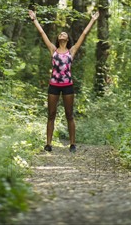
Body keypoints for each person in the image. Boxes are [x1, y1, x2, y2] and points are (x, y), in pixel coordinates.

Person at [28, 9, 100, 153]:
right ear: (58, 38)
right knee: (51, 114)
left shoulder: (71, 51)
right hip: (53, 86)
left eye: (65, 34)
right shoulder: (53, 50)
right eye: (60, 34)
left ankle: (72, 144)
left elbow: (84, 35)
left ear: (67, 39)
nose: (62, 34)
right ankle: (48, 144)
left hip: (68, 86)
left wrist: (92, 20)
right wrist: (34, 19)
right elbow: (43, 34)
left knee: (69, 114)